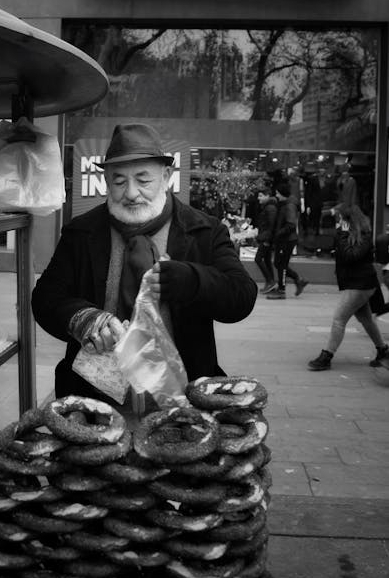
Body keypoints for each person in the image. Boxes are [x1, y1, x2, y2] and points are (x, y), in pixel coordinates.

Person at [32, 123, 258, 400]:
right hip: (93, 397)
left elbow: (242, 296)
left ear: (166, 177)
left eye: (143, 180)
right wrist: (82, 318)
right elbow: (45, 297)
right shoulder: (82, 232)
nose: (130, 193)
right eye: (119, 181)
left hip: (183, 398)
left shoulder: (204, 231)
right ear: (106, 182)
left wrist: (192, 280)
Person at [308, 204, 389, 371]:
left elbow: (351, 256)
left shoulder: (363, 235)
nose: (338, 222)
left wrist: (343, 234)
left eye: (340, 219)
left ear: (348, 221)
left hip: (361, 284)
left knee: (339, 319)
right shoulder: (354, 235)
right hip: (357, 283)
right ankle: (382, 350)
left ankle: (327, 356)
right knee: (366, 319)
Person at [266, 180, 308, 300]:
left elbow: (290, 224)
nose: (276, 196)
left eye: (278, 193)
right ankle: (298, 279)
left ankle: (281, 290)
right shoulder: (286, 204)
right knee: (279, 263)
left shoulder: (289, 206)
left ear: (282, 194)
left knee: (281, 265)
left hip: (287, 240)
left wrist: (278, 234)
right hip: (285, 239)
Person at [254, 183, 277, 294]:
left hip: (266, 239)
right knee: (267, 260)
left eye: (261, 196)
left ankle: (270, 281)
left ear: (267, 195)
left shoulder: (270, 208)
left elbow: (271, 226)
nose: (259, 198)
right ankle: (271, 283)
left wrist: (266, 239)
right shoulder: (268, 207)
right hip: (266, 238)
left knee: (258, 259)